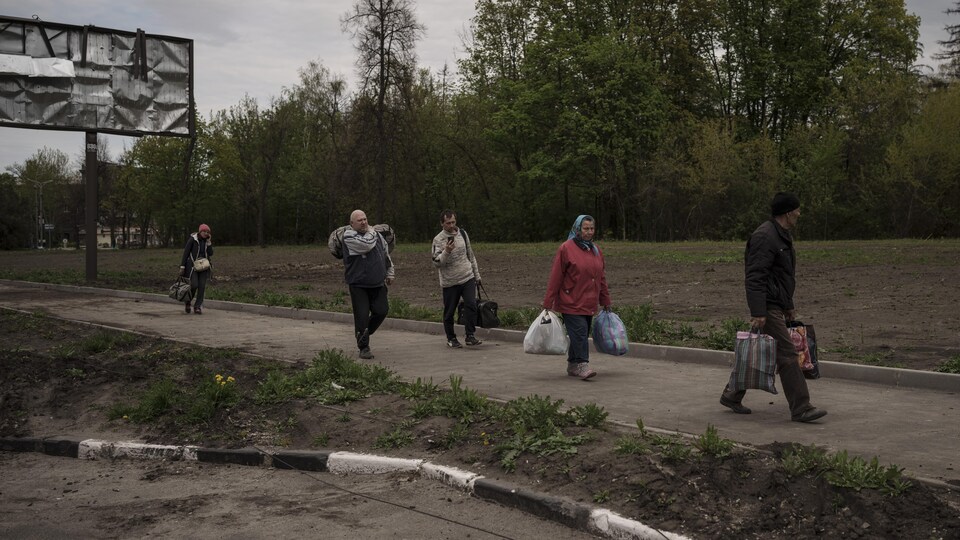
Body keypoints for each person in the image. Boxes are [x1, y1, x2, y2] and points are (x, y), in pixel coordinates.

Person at [720, 192, 827, 423]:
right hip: (766, 305)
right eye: (797, 210)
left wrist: (789, 306)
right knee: (787, 353)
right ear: (788, 213)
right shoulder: (765, 237)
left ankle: (731, 394)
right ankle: (802, 408)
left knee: (758, 352)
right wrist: (758, 311)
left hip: (775, 303)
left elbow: (782, 275)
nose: (799, 213)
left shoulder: (781, 236)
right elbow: (755, 276)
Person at [543, 215, 611, 380]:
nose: (589, 232)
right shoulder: (566, 248)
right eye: (585, 228)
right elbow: (556, 277)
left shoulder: (595, 250)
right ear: (578, 229)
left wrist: (605, 300)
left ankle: (573, 364)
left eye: (591, 229)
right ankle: (582, 365)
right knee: (579, 333)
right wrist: (548, 302)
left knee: (580, 333)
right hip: (570, 301)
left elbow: (601, 277)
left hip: (588, 301)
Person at [342, 209, 395, 359]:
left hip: (377, 283)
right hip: (359, 284)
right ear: (352, 223)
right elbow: (367, 245)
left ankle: (364, 331)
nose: (364, 222)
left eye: (365, 219)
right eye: (360, 220)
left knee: (382, 311)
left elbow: (385, 254)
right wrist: (372, 231)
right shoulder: (349, 236)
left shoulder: (376, 235)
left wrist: (390, 273)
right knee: (362, 316)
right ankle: (363, 346)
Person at [431, 210, 483, 349]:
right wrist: (446, 252)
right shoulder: (438, 239)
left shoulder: (463, 234)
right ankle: (451, 338)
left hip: (467, 276)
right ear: (442, 223)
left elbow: (471, 255)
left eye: (453, 222)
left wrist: (477, 276)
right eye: (448, 223)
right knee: (449, 311)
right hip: (450, 282)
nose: (451, 225)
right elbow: (436, 263)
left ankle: (470, 335)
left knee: (471, 305)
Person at [179, 223, 213, 314]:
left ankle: (197, 306)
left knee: (202, 287)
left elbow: (211, 253)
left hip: (203, 266)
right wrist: (182, 266)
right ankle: (188, 301)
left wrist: (209, 243)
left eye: (207, 232)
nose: (206, 233)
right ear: (200, 231)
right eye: (204, 231)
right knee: (194, 285)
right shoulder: (192, 239)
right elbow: (186, 253)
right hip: (193, 266)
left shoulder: (206, 241)